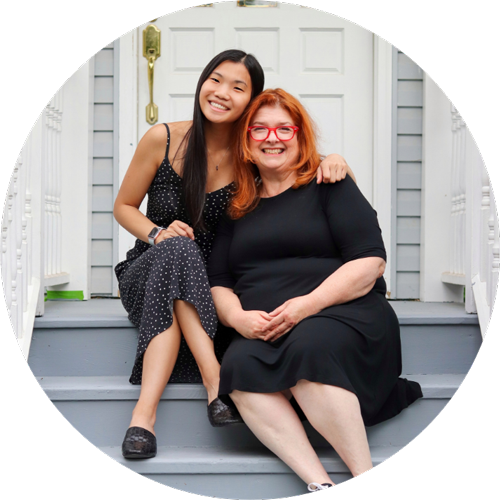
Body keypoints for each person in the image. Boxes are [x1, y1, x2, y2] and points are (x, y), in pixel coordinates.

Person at [113, 50, 355, 459]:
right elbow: (123, 207)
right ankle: (204, 387)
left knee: (185, 257)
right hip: (150, 269)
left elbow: (295, 165)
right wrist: (157, 233)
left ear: (252, 101)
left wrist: (333, 160)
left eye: (238, 87)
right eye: (215, 80)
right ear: (203, 83)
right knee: (177, 249)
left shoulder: (252, 156)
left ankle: (143, 421)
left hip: (215, 291)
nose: (222, 92)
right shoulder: (164, 138)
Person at [207, 88, 423, 491]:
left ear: (300, 137)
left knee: (308, 347)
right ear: (247, 142)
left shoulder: (329, 183)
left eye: (284, 129)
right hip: (268, 325)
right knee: (239, 367)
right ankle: (318, 482)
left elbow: (370, 261)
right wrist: (238, 318)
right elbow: (219, 281)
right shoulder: (235, 206)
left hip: (343, 313)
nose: (272, 138)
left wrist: (307, 305)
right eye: (260, 129)